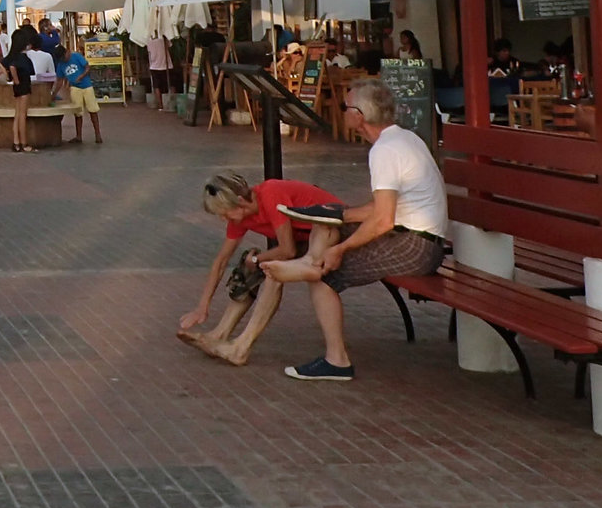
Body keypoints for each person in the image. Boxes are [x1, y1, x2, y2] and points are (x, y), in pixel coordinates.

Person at [256, 78, 450, 383]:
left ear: (359, 115)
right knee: (329, 222)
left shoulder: (385, 151)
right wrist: (341, 215)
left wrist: (340, 250)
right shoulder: (404, 139)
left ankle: (337, 360)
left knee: (326, 278)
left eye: (346, 107)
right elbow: (387, 207)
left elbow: (383, 220)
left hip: (416, 246)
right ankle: (308, 264)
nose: (343, 112)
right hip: (416, 237)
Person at [181, 171, 343, 365]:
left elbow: (287, 250)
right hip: (306, 238)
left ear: (240, 201)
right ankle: (219, 334)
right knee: (249, 267)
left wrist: (258, 260)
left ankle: (240, 347)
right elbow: (221, 261)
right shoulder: (240, 217)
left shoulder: (271, 194)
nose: (224, 219)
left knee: (271, 271)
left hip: (335, 230)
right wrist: (202, 307)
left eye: (224, 213)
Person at [58, 32, 102, 144]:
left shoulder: (76, 56)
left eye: (65, 57)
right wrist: (54, 92)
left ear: (67, 52)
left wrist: (81, 76)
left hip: (86, 85)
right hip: (75, 88)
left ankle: (98, 134)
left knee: (93, 110)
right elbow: (60, 80)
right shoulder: (60, 65)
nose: (65, 59)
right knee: (78, 112)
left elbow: (87, 67)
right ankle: (79, 136)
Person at [3, 27, 38, 153]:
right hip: (24, 86)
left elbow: (7, 65)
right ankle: (24, 143)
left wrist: (11, 78)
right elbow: (15, 67)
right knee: (23, 115)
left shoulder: (12, 56)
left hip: (17, 88)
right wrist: (17, 79)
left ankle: (16, 142)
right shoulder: (23, 58)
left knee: (17, 114)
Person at [147, 27, 173, 109]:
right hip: (166, 65)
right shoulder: (164, 39)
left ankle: (160, 105)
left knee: (157, 86)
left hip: (154, 66)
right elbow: (170, 45)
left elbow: (149, 52)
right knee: (170, 84)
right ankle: (171, 103)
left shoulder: (149, 41)